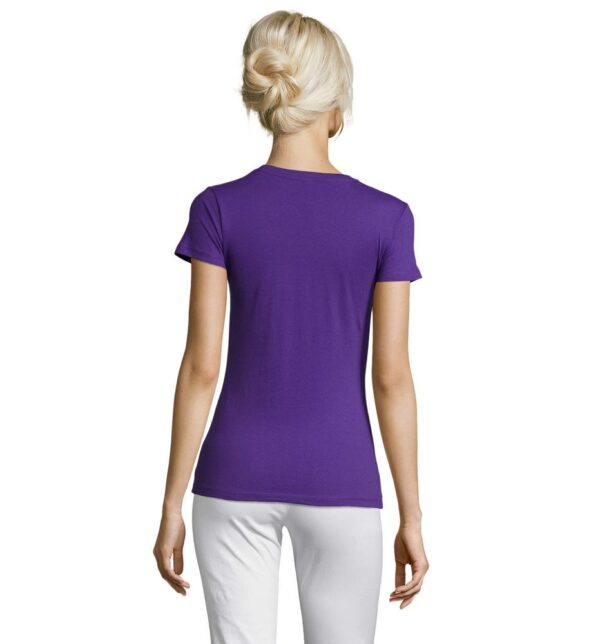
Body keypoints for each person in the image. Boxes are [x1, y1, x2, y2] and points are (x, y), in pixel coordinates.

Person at [153, 9, 429, 644]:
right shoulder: (387, 218)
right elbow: (391, 378)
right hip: (342, 480)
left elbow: (200, 366)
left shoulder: (218, 208)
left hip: (233, 477)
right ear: (336, 107)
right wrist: (411, 515)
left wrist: (170, 503)